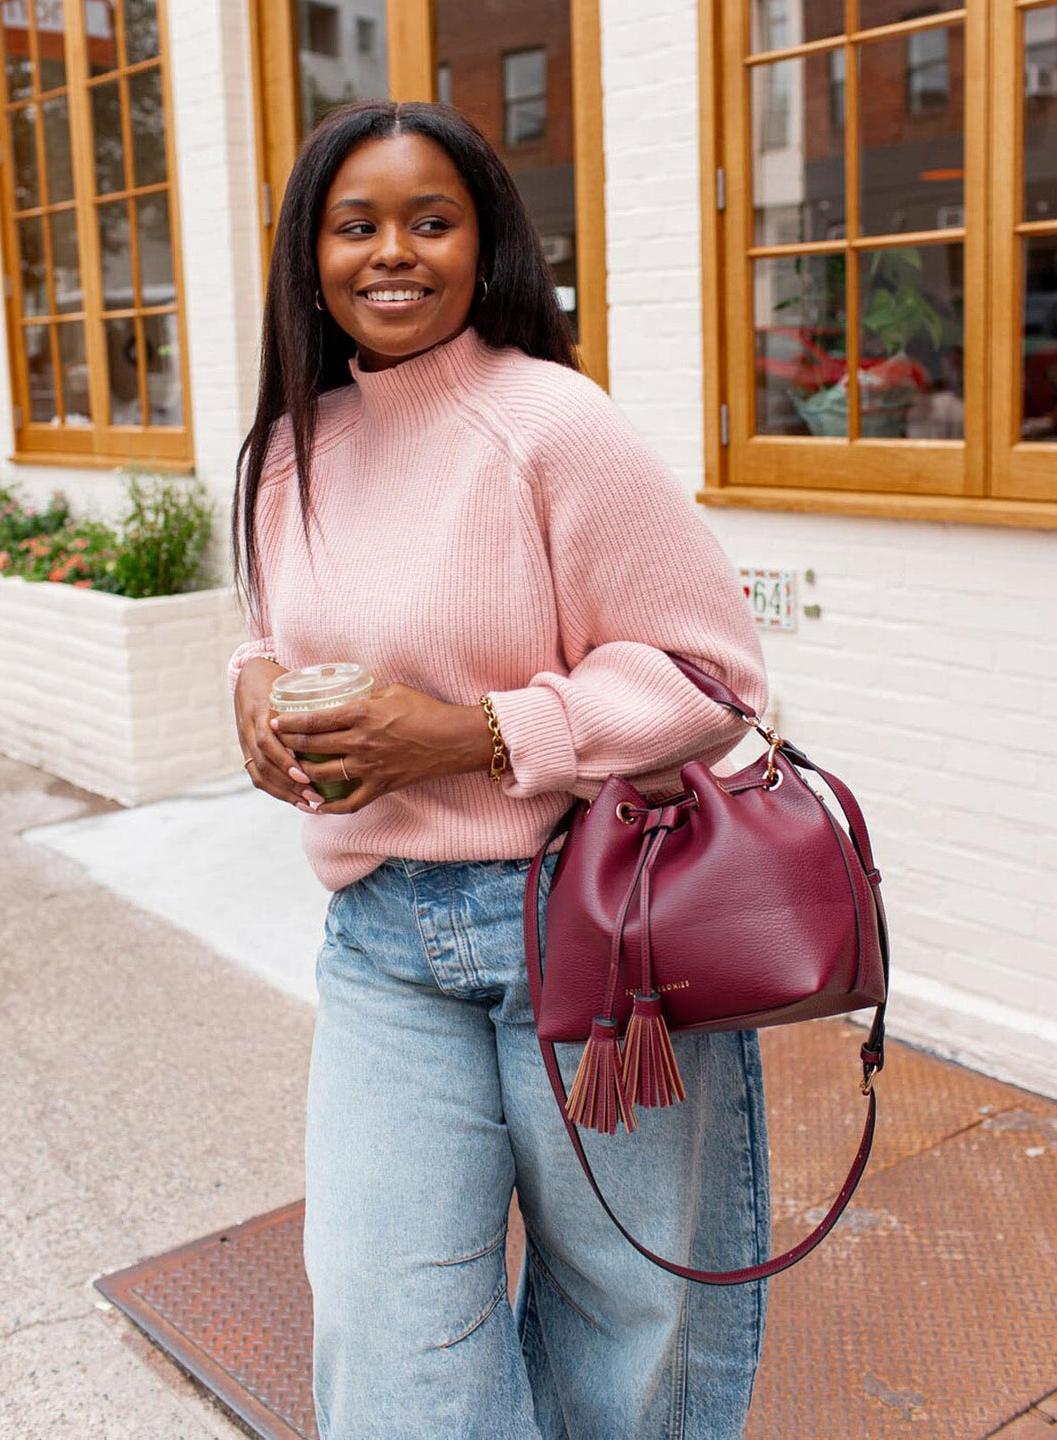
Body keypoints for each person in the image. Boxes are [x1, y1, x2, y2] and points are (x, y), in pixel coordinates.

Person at [230, 99, 770, 1440]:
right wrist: (250, 697)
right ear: (311, 252)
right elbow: (265, 633)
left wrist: (466, 735)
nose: (391, 253)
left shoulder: (549, 423)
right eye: (357, 225)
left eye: (431, 220)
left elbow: (715, 681)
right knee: (385, 1329)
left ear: (486, 247)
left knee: (631, 1323)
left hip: (586, 936)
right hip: (381, 947)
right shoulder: (285, 450)